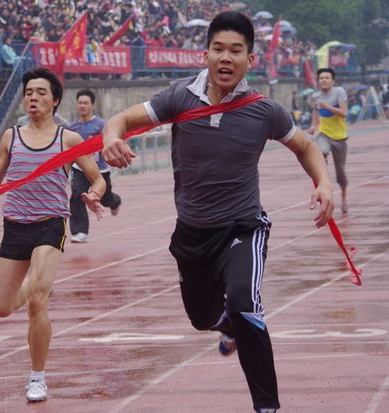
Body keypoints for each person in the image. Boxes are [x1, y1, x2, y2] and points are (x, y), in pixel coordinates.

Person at [102, 11, 334, 413]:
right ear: (206, 54)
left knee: (245, 302)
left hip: (243, 227)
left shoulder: (265, 111)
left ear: (250, 59)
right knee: (200, 318)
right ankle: (226, 324)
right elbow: (121, 119)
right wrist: (111, 136)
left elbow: (306, 147)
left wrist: (323, 183)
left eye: (236, 51)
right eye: (218, 49)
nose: (226, 58)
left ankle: (267, 406)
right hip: (192, 234)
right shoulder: (179, 97)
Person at [0, 67, 106, 403]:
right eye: (29, 92)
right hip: (15, 226)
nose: (33, 97)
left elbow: (97, 177)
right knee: (2, 307)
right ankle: (37, 284)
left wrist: (94, 195)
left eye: (41, 92)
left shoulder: (68, 140)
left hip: (50, 224)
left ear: (55, 100)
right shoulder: (10, 137)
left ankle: (37, 378)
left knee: (36, 303)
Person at [68, 89, 122, 243]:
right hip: (80, 168)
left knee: (105, 199)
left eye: (85, 103)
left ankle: (115, 201)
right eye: (80, 103)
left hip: (100, 169)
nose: (82, 106)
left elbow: (109, 141)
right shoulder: (72, 128)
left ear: (92, 105)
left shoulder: (101, 125)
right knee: (77, 195)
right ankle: (80, 232)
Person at [307, 68, 349, 213]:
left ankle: (344, 197)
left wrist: (327, 106)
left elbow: (344, 113)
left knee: (340, 173)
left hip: (339, 137)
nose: (323, 80)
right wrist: (313, 126)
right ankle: (323, 178)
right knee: (321, 151)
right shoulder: (316, 96)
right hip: (323, 133)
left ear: (333, 80)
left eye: (327, 78)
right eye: (321, 78)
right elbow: (316, 112)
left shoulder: (339, 92)